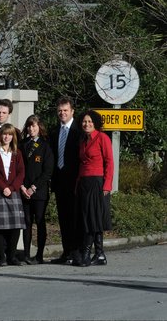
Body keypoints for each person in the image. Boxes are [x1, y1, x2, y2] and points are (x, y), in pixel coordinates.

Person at [74, 110, 113, 267]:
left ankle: (86, 253)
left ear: (95, 123)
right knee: (90, 217)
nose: (87, 124)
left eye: (90, 121)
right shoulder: (83, 140)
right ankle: (100, 254)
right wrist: (77, 183)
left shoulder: (102, 137)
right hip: (83, 182)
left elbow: (109, 162)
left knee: (92, 218)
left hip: (97, 182)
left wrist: (107, 184)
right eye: (84, 121)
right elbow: (81, 164)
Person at [0, 124, 25, 266]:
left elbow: (21, 173)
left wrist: (12, 187)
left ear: (13, 136)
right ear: (0, 135)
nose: (6, 137)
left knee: (16, 225)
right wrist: (3, 187)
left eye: (9, 134)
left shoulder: (17, 153)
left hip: (13, 192)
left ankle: (11, 256)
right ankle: (2, 257)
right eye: (4, 134)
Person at [49, 96, 81, 264]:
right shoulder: (55, 132)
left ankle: (77, 251)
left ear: (72, 111)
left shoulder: (79, 131)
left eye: (65, 110)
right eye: (60, 110)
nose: (62, 113)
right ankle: (66, 251)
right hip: (60, 183)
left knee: (75, 218)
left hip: (75, 183)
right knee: (63, 219)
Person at [20, 115, 54, 264]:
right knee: (26, 222)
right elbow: (18, 168)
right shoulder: (22, 144)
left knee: (39, 221)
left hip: (39, 192)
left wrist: (33, 188)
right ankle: (26, 254)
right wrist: (22, 187)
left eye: (34, 126)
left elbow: (47, 171)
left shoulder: (46, 146)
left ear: (39, 127)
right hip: (24, 191)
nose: (31, 129)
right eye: (29, 126)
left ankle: (39, 254)